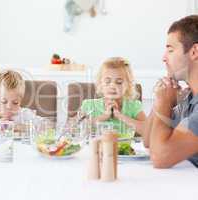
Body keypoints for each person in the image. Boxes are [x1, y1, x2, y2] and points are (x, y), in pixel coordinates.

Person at [143, 15, 198, 168]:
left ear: (194, 52)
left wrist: (164, 103)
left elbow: (160, 157)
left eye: (170, 50)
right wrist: (161, 98)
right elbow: (148, 141)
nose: (164, 58)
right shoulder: (189, 97)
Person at [80, 57, 146, 136]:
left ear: (128, 85)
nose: (112, 86)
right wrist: (104, 117)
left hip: (125, 147)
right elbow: (79, 129)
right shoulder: (89, 105)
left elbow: (147, 130)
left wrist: (120, 116)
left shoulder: (134, 106)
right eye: (107, 82)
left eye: (119, 82)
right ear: (100, 84)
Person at [0, 69, 42, 135]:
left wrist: (19, 127)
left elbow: (48, 126)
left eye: (15, 102)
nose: (9, 107)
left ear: (20, 101)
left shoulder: (25, 114)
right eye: (3, 102)